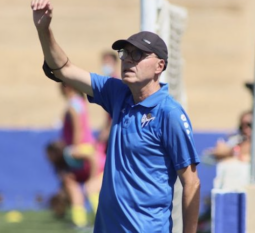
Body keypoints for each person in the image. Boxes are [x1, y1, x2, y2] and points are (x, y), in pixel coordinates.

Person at [31, 1, 201, 232]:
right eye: (125, 53)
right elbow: (64, 68)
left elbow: (191, 183)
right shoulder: (117, 92)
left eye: (138, 54)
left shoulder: (169, 113)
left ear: (160, 65)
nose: (128, 59)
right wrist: (44, 30)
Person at [46, 83, 99, 228]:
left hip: (81, 152)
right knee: (85, 186)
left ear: (67, 87)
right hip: (88, 150)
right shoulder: (81, 103)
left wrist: (74, 149)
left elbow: (78, 130)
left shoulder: (73, 105)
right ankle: (89, 219)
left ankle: (81, 220)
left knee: (72, 183)